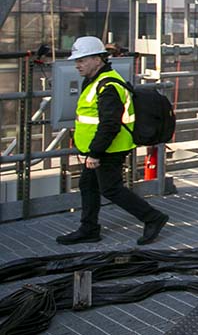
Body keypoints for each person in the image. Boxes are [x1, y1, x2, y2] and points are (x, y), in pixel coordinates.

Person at [56, 36, 169, 246]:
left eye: (82, 60)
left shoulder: (107, 86)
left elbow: (110, 124)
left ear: (98, 60)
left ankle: (153, 217)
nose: (77, 65)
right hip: (98, 147)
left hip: (108, 148)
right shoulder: (94, 80)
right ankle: (89, 229)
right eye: (77, 60)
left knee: (110, 188)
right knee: (88, 186)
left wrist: (95, 154)